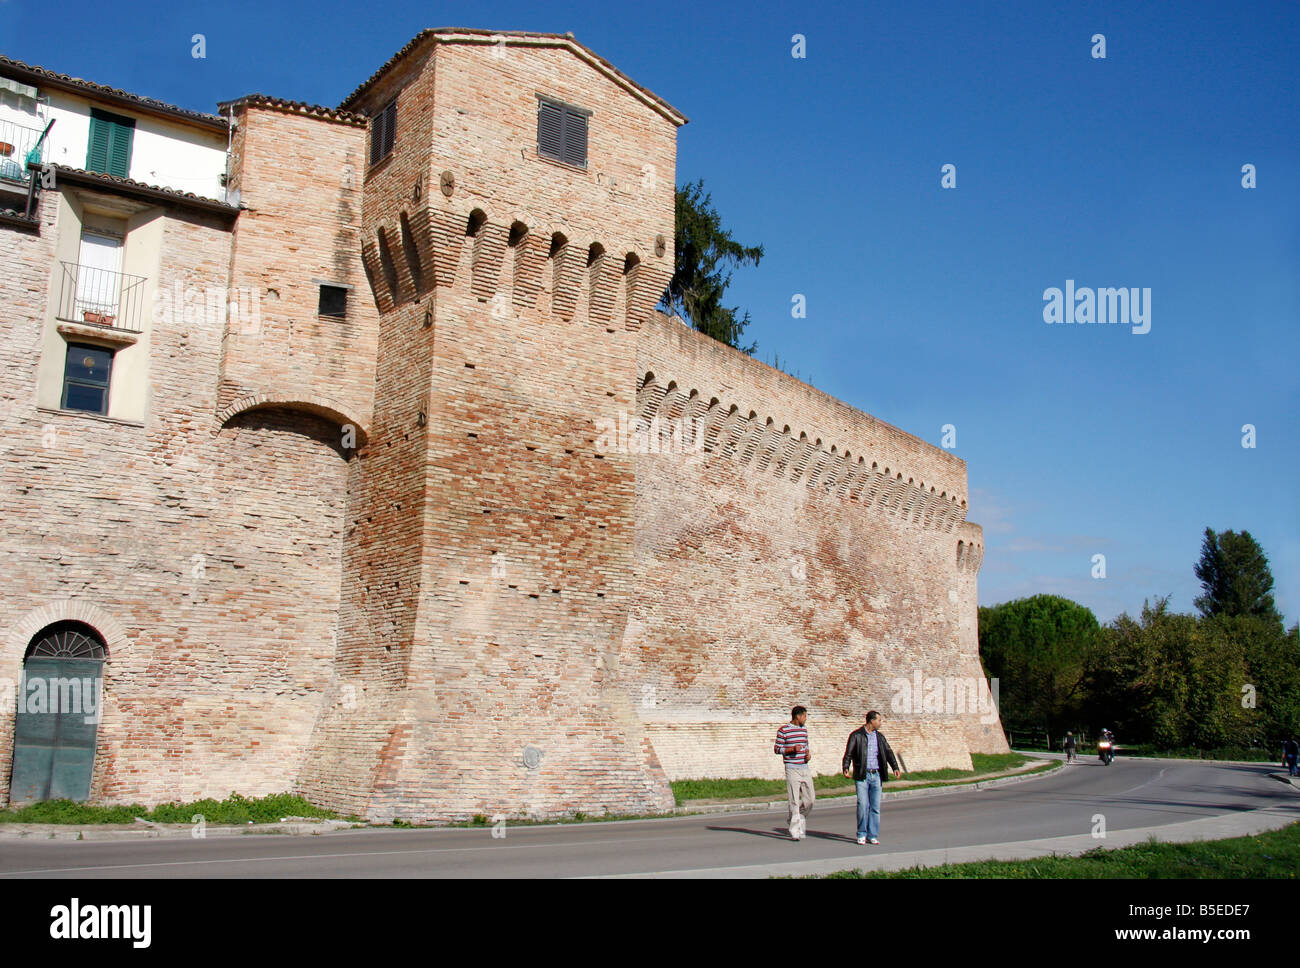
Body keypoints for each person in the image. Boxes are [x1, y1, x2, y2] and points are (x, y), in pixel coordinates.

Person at [842, 710, 901, 845]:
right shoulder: (856, 735)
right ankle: (862, 834)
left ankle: (872, 835)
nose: (880, 723)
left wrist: (895, 767)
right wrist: (845, 767)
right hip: (862, 775)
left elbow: (889, 752)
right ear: (871, 721)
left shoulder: (880, 737)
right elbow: (848, 753)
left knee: (875, 807)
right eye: (879, 720)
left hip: (877, 775)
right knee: (863, 805)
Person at [774, 705, 814, 840]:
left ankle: (794, 817)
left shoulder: (804, 730)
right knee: (794, 800)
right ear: (798, 716)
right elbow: (777, 749)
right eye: (804, 716)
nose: (806, 719)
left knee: (810, 800)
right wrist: (791, 749)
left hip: (804, 767)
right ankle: (795, 830)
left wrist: (808, 755)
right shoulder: (783, 730)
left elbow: (806, 746)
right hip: (791, 768)